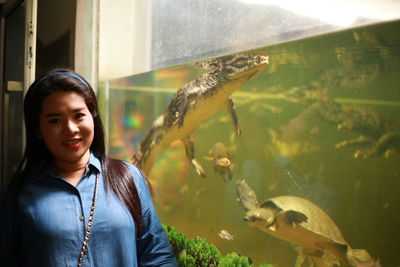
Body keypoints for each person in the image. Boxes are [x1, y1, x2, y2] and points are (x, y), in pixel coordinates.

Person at [0, 69, 178, 267]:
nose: (71, 129)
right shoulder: (18, 194)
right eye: (55, 120)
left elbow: (158, 256)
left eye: (78, 116)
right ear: (38, 130)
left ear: (92, 117)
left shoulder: (128, 177)